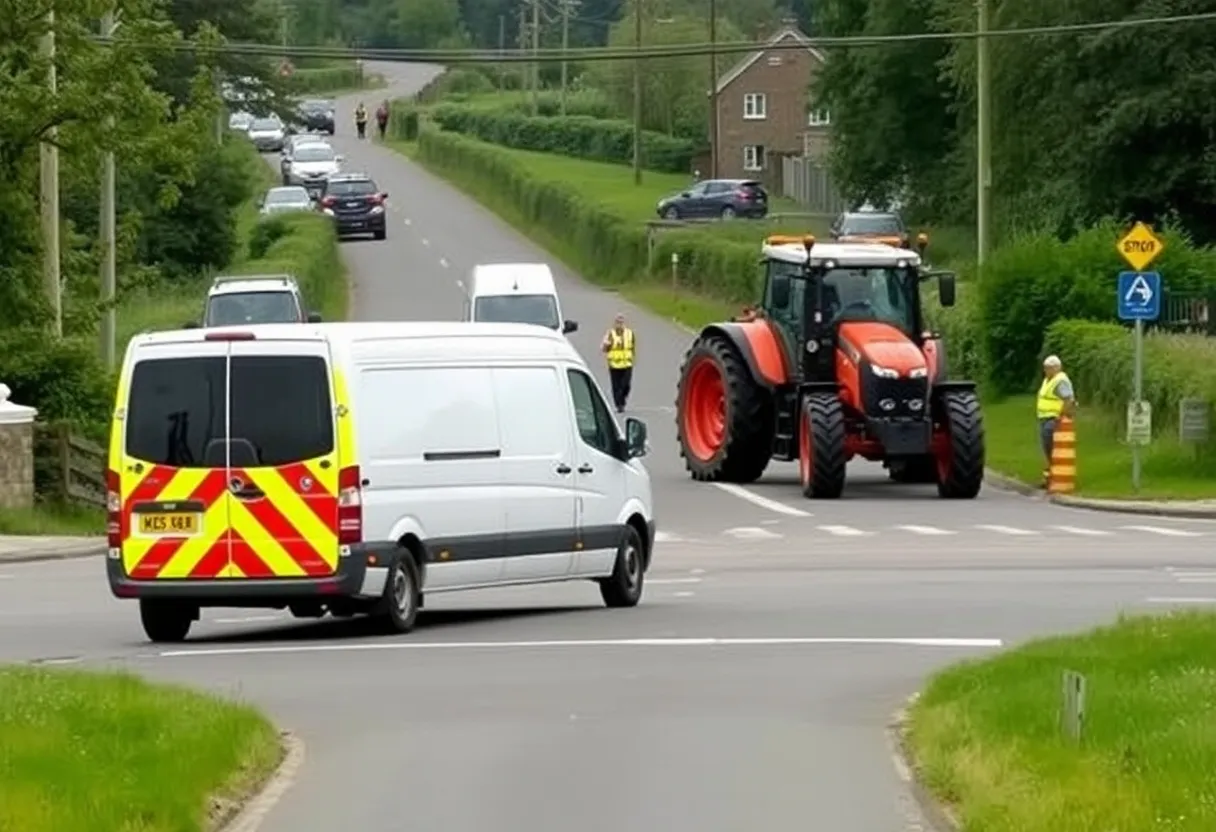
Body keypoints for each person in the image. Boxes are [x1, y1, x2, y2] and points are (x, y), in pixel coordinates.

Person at [1036, 354, 1076, 486]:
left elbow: (1068, 400)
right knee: (1047, 448)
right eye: (1045, 368)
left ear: (1057, 368)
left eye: (1049, 368)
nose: (1046, 370)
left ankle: (1053, 476)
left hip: (1053, 419)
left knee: (1051, 448)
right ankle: (1049, 476)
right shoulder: (1048, 380)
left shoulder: (1060, 381)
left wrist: (1062, 416)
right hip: (1044, 418)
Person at [601, 313, 636, 413]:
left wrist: (633, 357)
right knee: (616, 386)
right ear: (615, 323)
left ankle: (623, 398)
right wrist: (606, 345)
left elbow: (632, 347)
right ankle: (619, 404)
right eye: (618, 322)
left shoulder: (630, 333)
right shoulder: (610, 334)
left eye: (621, 322)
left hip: (627, 364)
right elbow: (604, 348)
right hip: (614, 365)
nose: (619, 324)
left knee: (626, 385)